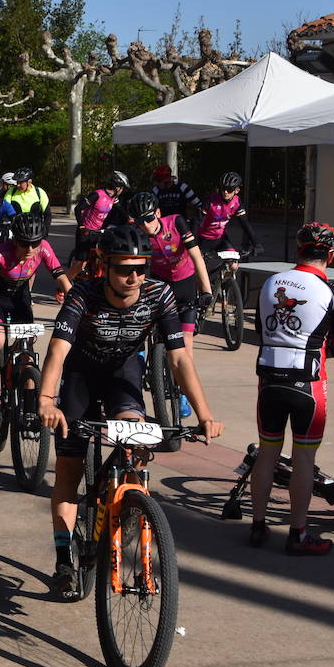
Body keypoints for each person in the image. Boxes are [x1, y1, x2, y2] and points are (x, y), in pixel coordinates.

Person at [38, 225, 222, 598]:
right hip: (81, 374)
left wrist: (203, 413)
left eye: (142, 268)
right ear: (104, 266)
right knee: (70, 469)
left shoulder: (158, 294)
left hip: (123, 372)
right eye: (125, 269)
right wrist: (45, 400)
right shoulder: (83, 295)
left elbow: (179, 358)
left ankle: (132, 507)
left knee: (135, 441)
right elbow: (57, 349)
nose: (135, 277)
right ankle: (63, 560)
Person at [248, 222, 334, 555]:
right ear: (330, 256)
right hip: (308, 385)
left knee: (267, 453)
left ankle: (258, 527)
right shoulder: (333, 293)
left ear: (298, 252)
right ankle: (298, 534)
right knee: (304, 459)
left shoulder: (269, 283)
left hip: (269, 380)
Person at [0, 212, 70, 395]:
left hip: (20, 298)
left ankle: (27, 405)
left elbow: (60, 276)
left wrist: (76, 304)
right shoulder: (1, 251)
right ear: (14, 240)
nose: (30, 248)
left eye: (35, 243)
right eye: (24, 243)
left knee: (27, 351)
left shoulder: (43, 248)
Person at [129, 191, 212, 361]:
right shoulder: (138, 234)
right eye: (139, 221)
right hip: (160, 283)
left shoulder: (176, 222)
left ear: (158, 213)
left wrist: (206, 291)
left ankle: (182, 386)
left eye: (149, 218)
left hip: (185, 283)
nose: (145, 225)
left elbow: (196, 256)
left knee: (186, 342)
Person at [69, 170, 129, 278]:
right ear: (117, 187)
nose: (122, 190)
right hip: (86, 231)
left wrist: (130, 220)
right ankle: (62, 288)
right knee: (80, 263)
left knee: (103, 258)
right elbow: (78, 208)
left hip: (99, 232)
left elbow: (121, 212)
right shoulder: (97, 194)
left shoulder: (114, 198)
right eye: (122, 187)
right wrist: (82, 226)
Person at [195, 171, 262, 268]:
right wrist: (193, 244)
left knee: (233, 266)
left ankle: (222, 282)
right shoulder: (210, 200)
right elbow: (196, 221)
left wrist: (256, 244)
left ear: (237, 190)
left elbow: (244, 223)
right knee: (201, 269)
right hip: (203, 239)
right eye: (223, 188)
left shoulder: (237, 202)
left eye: (229, 189)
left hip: (221, 239)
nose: (225, 192)